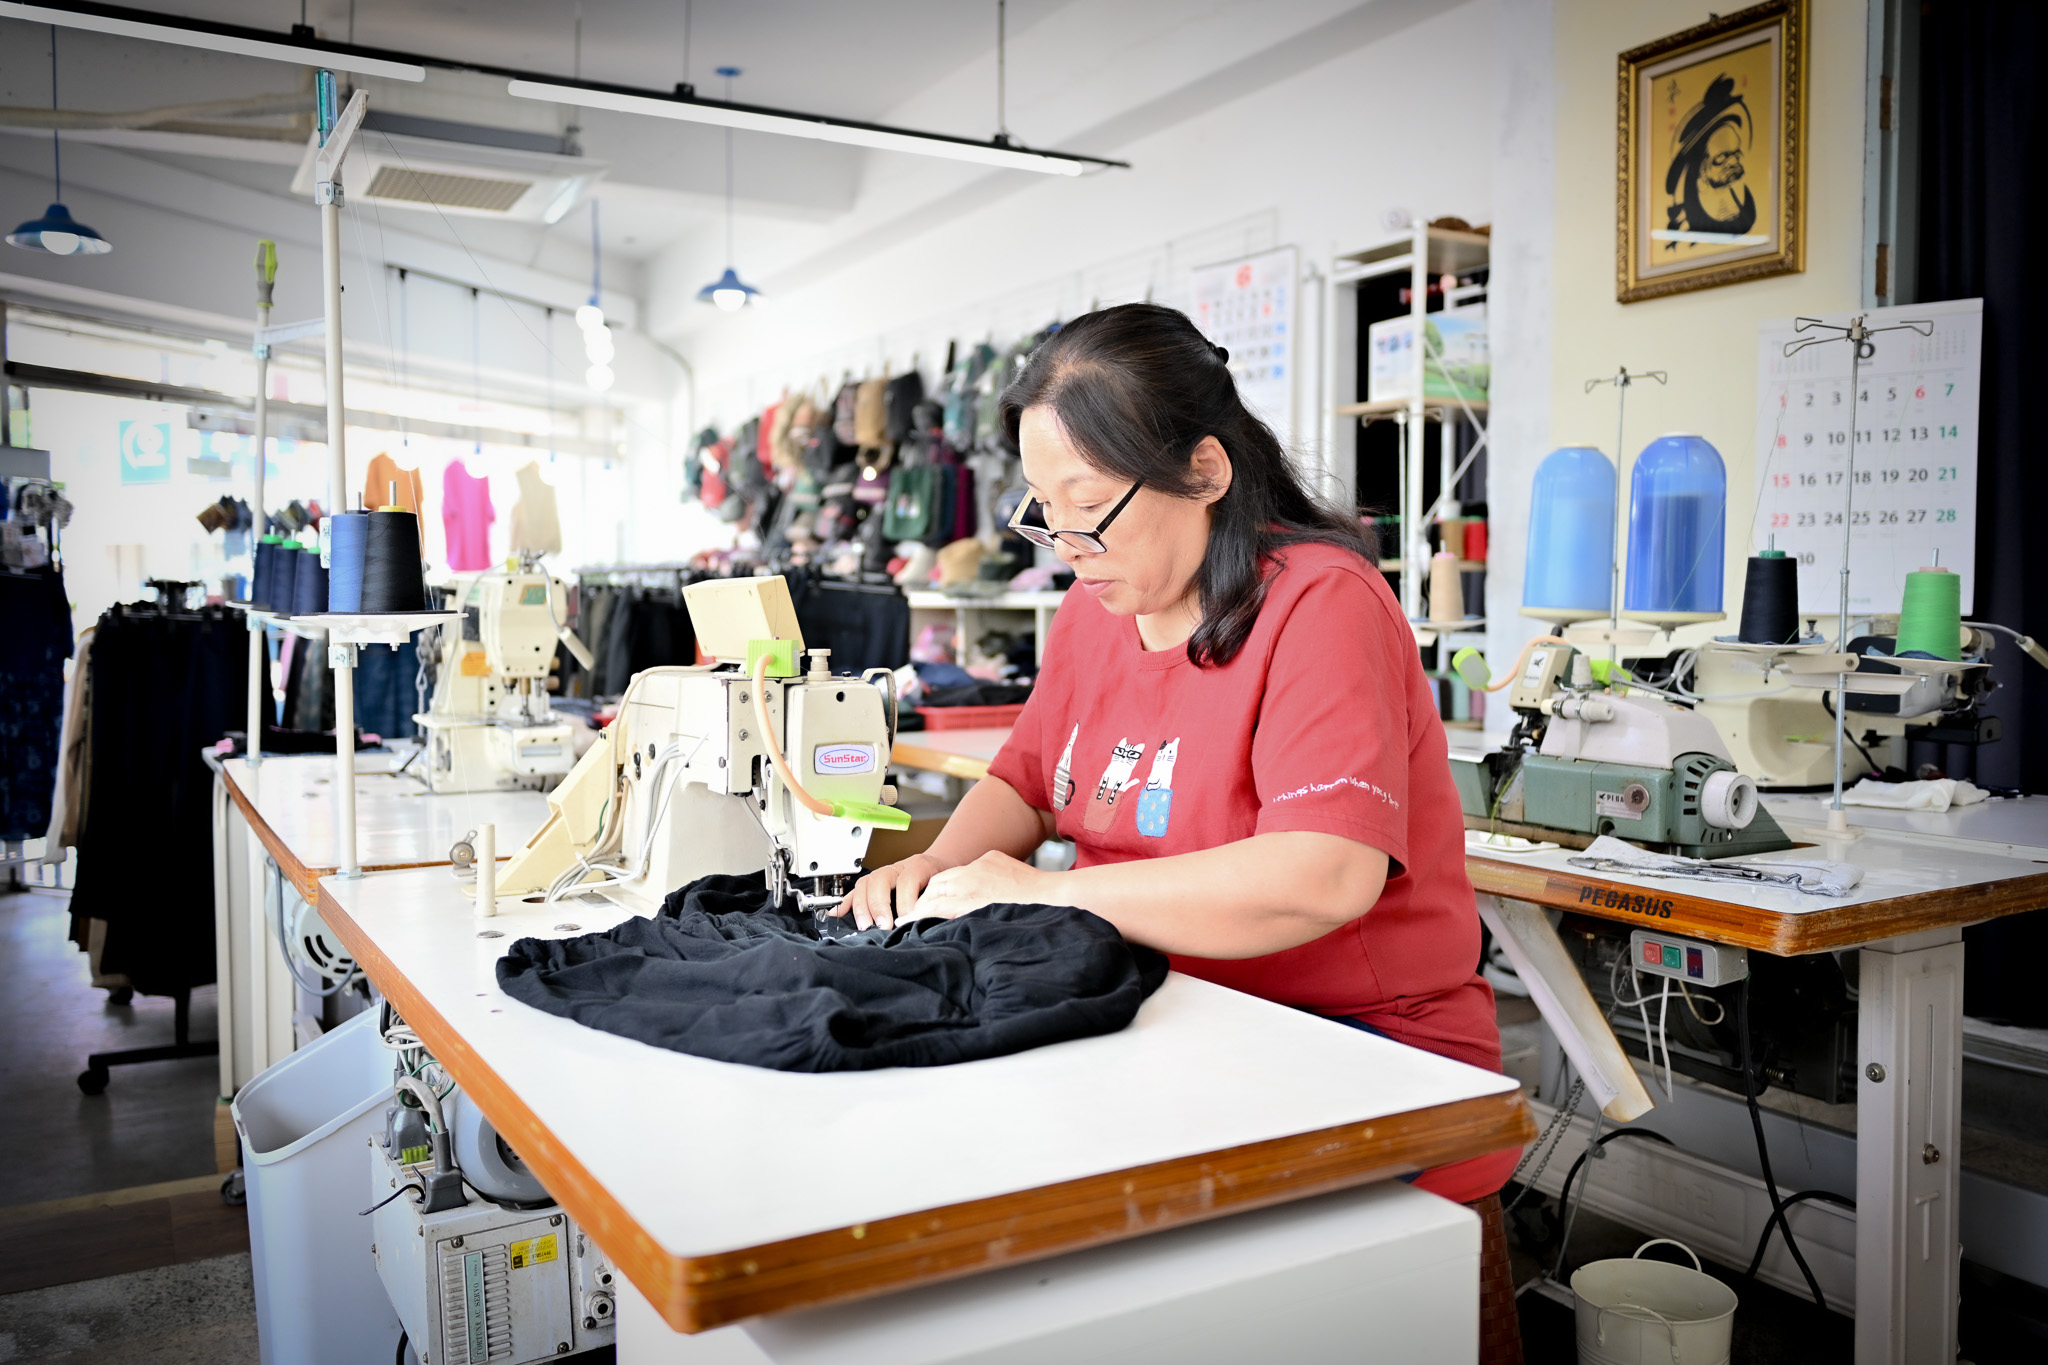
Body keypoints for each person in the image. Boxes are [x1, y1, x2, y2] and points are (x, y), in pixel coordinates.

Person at [835, 302, 1521, 1357]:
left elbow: (1322, 875)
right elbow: (1027, 778)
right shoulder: (1097, 605)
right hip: (1172, 1026)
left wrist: (1045, 892)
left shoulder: (1319, 602)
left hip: (1361, 1052)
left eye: (1089, 508)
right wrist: (936, 863)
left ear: (1204, 470)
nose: (1068, 547)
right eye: (1045, 513)